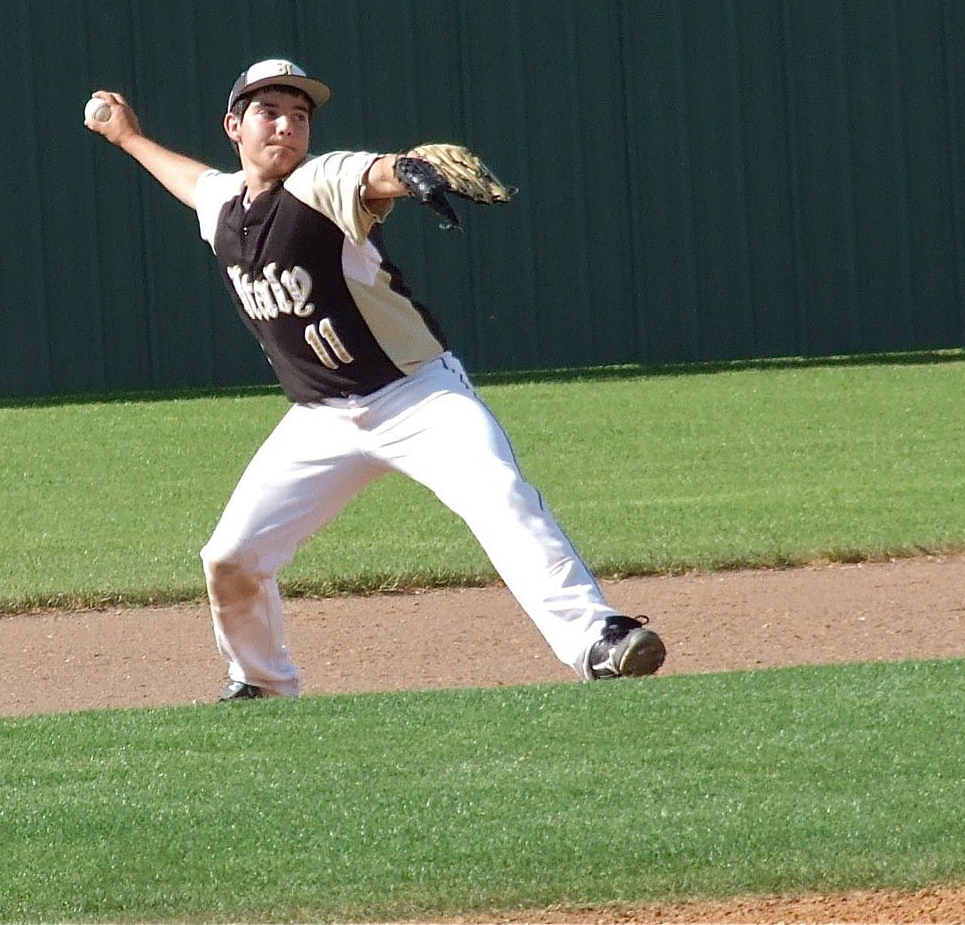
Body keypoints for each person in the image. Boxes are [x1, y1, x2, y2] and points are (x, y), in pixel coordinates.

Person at [85, 57, 666, 700]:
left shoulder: (318, 183)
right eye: (268, 112)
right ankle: (260, 682)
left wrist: (409, 169)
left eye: (300, 116)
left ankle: (598, 638)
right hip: (321, 419)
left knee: (498, 495)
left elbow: (370, 173)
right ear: (234, 126)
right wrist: (128, 138)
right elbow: (192, 181)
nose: (286, 126)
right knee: (231, 557)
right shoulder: (223, 204)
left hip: (419, 397)